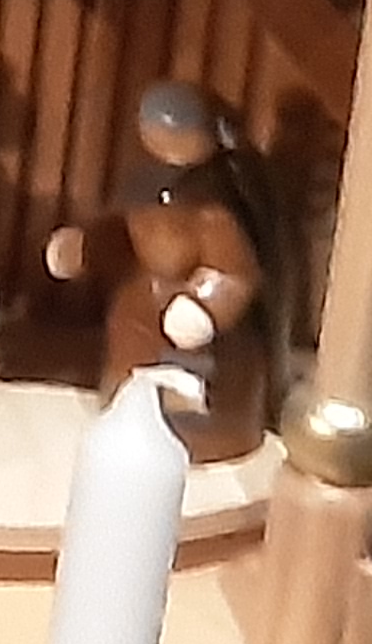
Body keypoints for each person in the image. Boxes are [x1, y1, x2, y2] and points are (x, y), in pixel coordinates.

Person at [44, 80, 277, 461]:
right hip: (140, 310)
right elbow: (120, 233)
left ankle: (193, 427)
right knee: (131, 369)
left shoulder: (211, 208)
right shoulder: (141, 188)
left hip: (198, 326)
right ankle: (129, 413)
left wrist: (205, 306)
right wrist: (83, 249)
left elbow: (236, 274)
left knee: (196, 385)